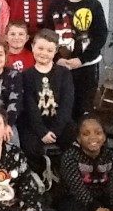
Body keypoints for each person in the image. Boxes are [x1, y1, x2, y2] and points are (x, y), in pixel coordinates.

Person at [46, 0, 108, 122]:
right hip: (60, 66)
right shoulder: (55, 5)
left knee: (82, 108)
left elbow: (100, 37)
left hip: (85, 68)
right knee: (59, 107)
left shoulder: (94, 6)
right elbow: (47, 34)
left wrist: (81, 60)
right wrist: (56, 58)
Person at [20, 29, 75, 169]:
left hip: (59, 122)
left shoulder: (64, 73)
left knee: (73, 137)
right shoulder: (26, 75)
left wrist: (56, 131)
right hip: (35, 123)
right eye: (40, 48)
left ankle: (63, 172)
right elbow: (30, 106)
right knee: (29, 146)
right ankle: (39, 174)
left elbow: (66, 104)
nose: (44, 53)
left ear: (56, 51)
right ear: (32, 47)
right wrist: (42, 132)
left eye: (49, 50)